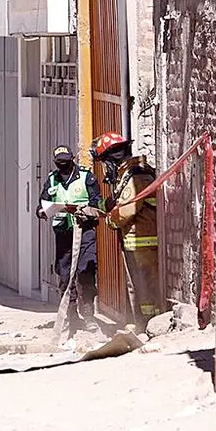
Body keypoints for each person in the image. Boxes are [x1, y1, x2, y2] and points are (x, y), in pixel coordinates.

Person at [90, 132, 161, 329]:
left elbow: (128, 209)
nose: (105, 169)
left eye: (105, 162)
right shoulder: (130, 173)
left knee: (144, 287)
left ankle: (148, 324)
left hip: (143, 241)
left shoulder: (136, 175)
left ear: (112, 159)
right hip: (137, 241)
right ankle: (142, 323)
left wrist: (111, 220)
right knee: (137, 286)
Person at [36, 145, 102, 332]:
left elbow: (97, 203)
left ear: (72, 159)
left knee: (86, 271)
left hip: (85, 231)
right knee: (65, 276)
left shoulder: (85, 176)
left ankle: (88, 315)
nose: (62, 166)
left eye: (66, 162)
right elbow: (40, 206)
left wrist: (84, 211)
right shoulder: (51, 180)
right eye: (59, 163)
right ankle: (72, 316)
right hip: (63, 234)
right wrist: (43, 211)